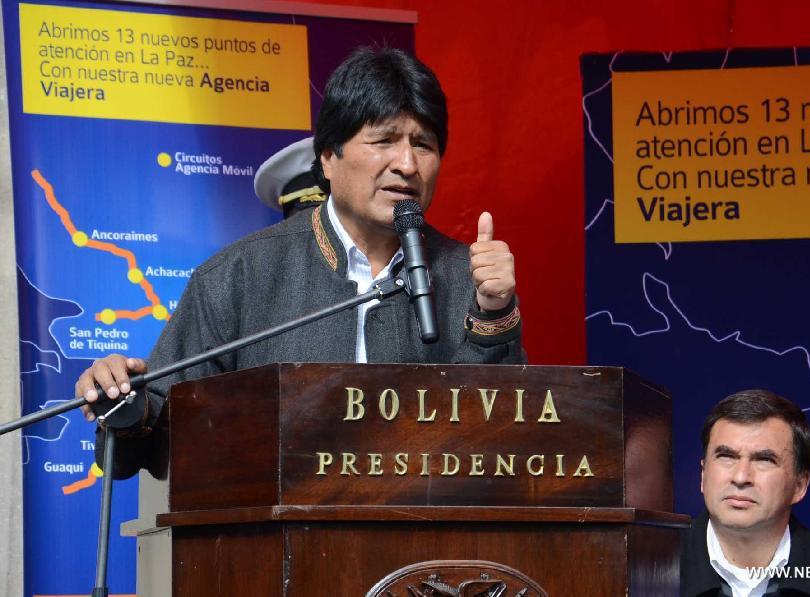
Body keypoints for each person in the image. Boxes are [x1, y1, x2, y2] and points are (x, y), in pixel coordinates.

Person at [76, 47, 524, 478]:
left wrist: (495, 312)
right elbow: (148, 442)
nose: (406, 164)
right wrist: (122, 400)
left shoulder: (469, 276)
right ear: (328, 158)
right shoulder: (240, 276)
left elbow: (510, 444)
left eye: (423, 144)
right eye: (384, 140)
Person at [681, 389, 810, 596]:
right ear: (703, 474)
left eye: (764, 460)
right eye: (726, 456)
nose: (740, 477)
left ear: (800, 486)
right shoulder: (650, 563)